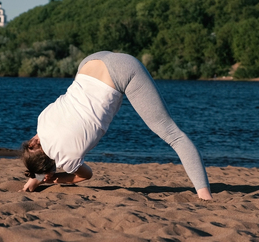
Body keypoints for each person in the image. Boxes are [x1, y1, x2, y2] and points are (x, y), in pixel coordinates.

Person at [20, 51, 212, 200]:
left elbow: (85, 175)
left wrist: (56, 178)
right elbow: (46, 143)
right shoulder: (42, 120)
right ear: (33, 142)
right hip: (90, 64)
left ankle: (205, 196)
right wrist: (38, 174)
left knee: (172, 134)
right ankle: (203, 191)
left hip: (122, 72)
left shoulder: (68, 160)